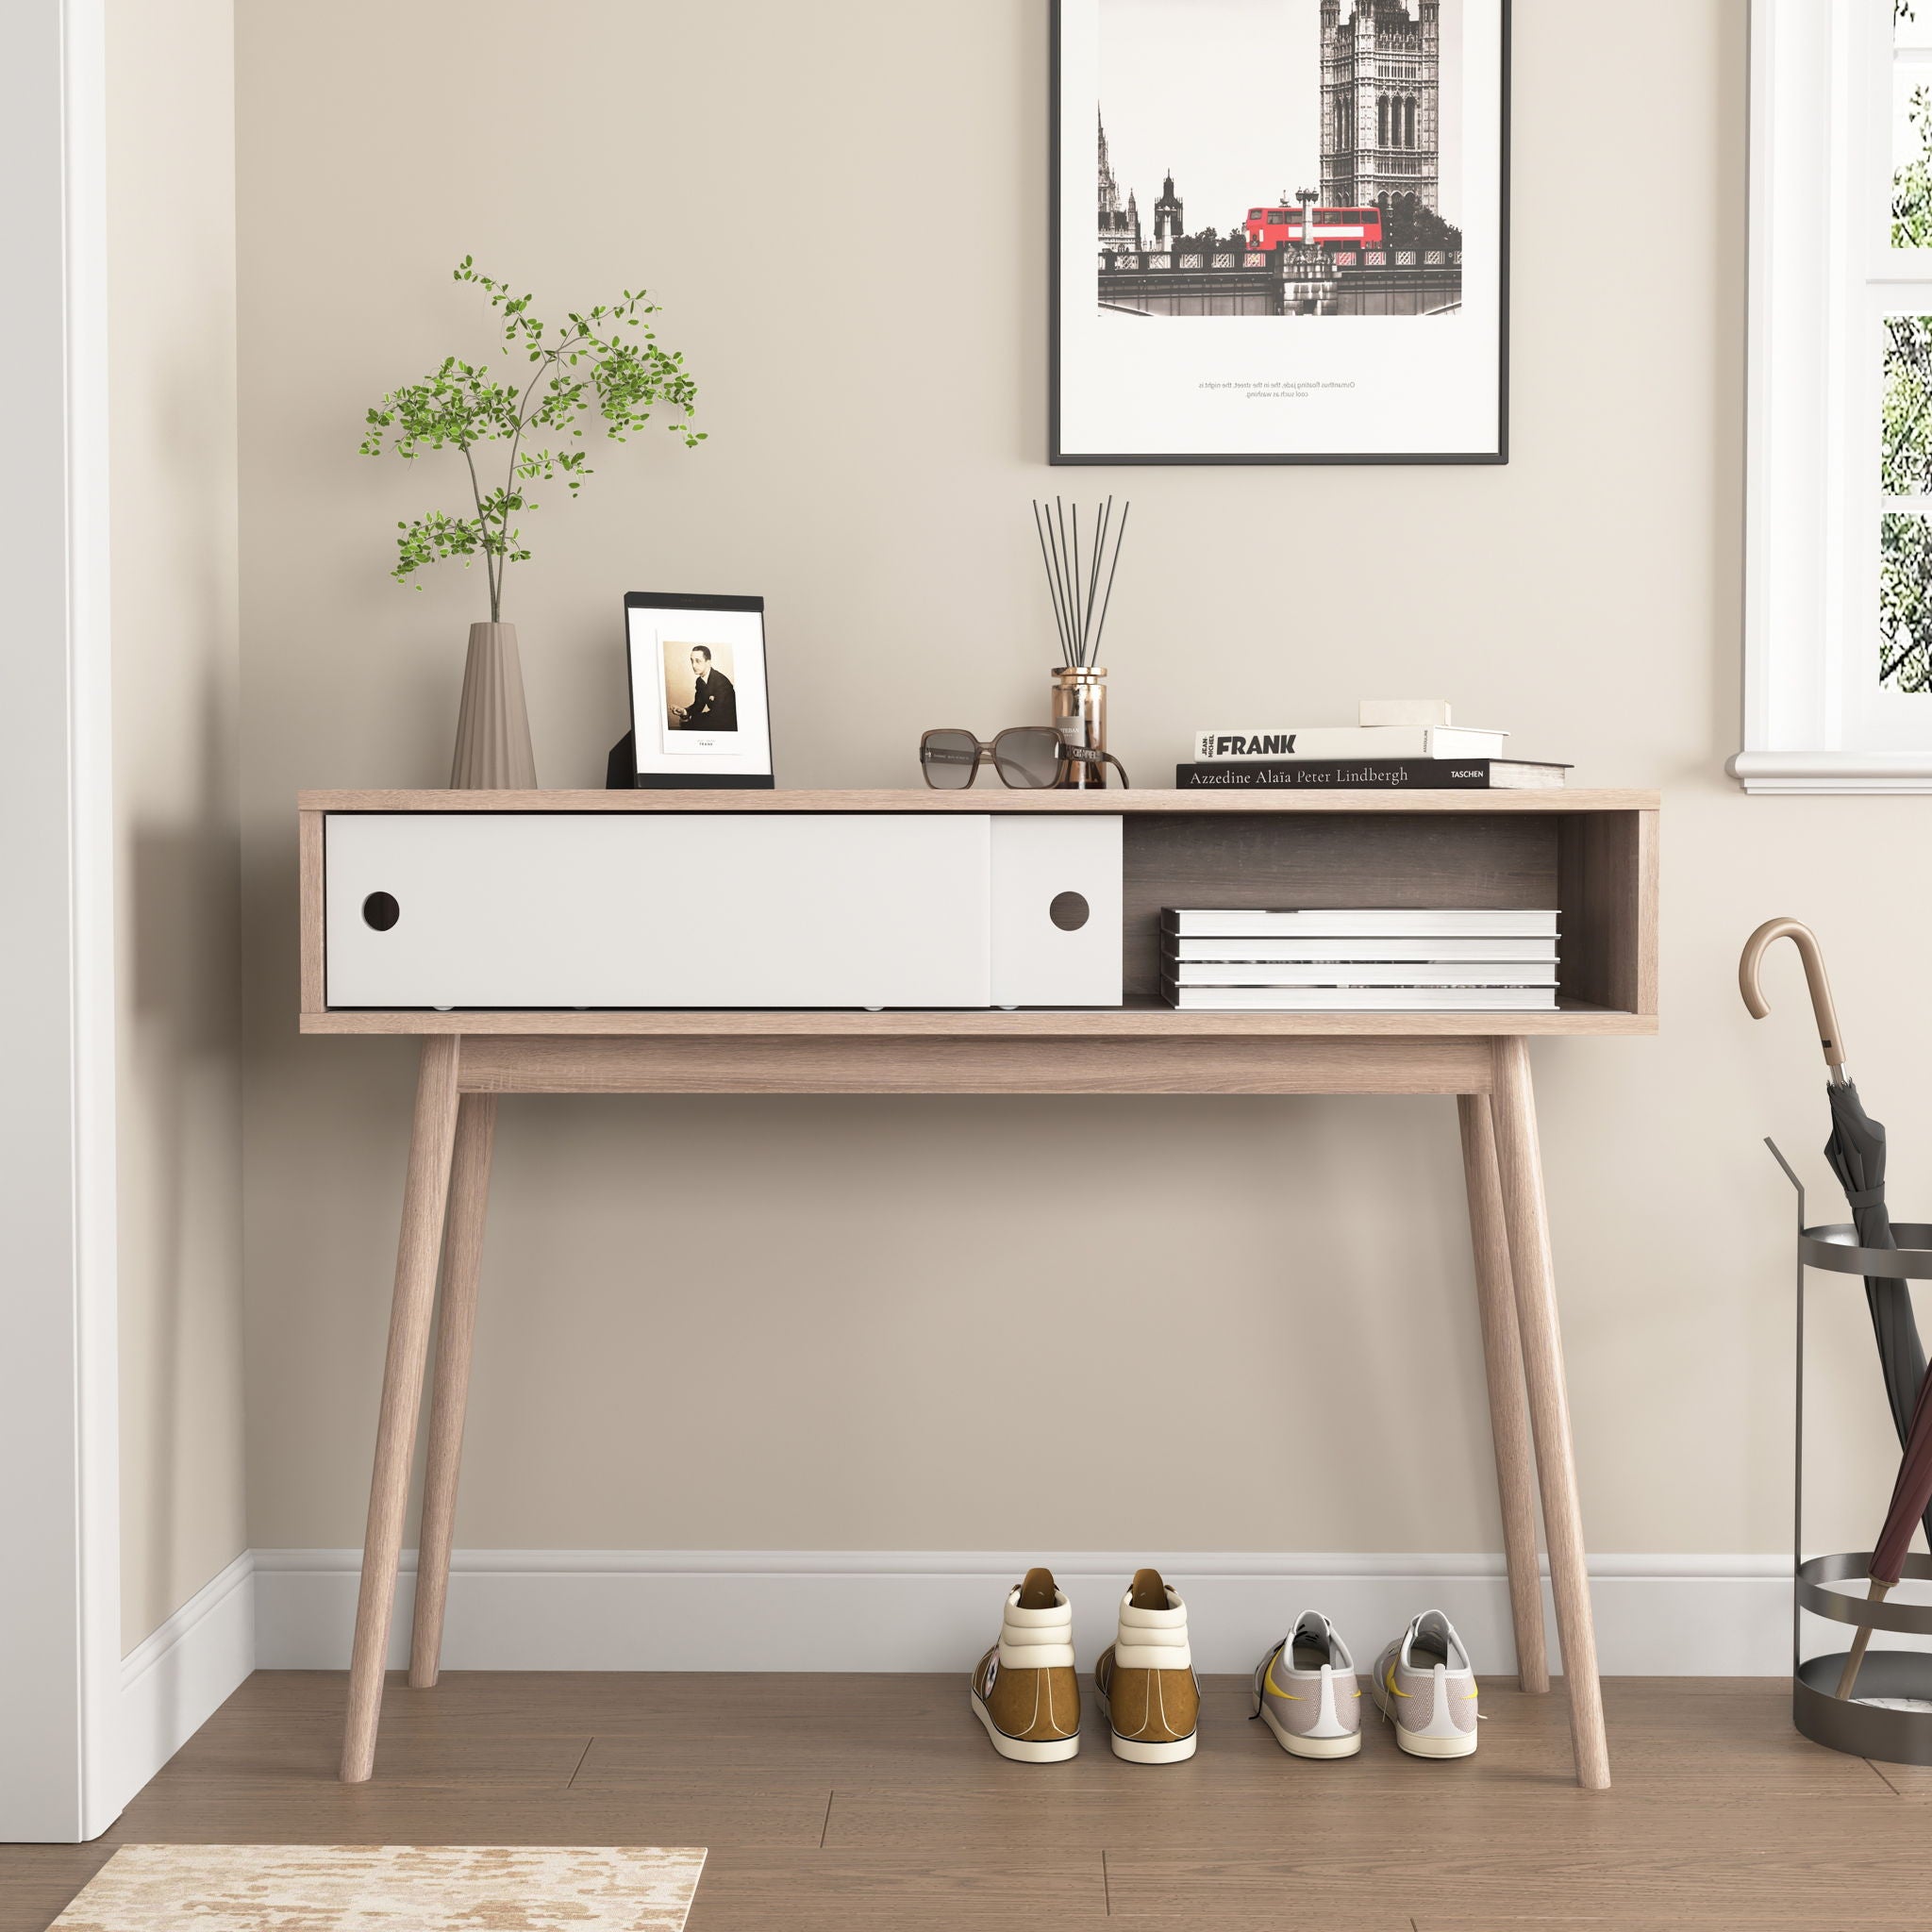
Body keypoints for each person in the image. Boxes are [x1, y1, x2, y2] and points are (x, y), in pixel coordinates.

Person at [671, 645, 737, 731]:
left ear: (708, 663)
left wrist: (689, 718)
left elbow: (717, 715)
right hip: (715, 719)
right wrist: (684, 712)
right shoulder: (699, 681)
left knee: (688, 725)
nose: (693, 665)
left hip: (729, 725)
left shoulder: (721, 683)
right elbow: (698, 705)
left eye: (698, 661)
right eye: (692, 661)